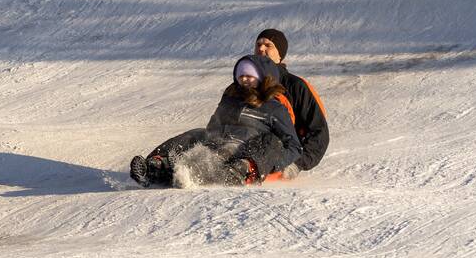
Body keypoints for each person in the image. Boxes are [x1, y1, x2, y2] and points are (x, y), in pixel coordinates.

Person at [130, 54, 302, 187]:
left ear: (264, 77)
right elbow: (213, 125)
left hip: (245, 153)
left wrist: (272, 164)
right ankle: (157, 165)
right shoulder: (230, 99)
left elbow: (293, 146)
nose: (244, 79)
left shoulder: (274, 108)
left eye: (249, 76)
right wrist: (208, 138)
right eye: (241, 75)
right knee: (197, 133)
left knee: (273, 142)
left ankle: (239, 172)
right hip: (217, 145)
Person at [253, 28, 328, 176]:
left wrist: (297, 163)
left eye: (268, 45)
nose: (261, 48)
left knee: (269, 142)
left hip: (277, 154)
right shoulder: (246, 83)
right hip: (244, 143)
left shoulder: (296, 86)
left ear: (280, 54)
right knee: (197, 136)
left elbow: (319, 132)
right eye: (258, 44)